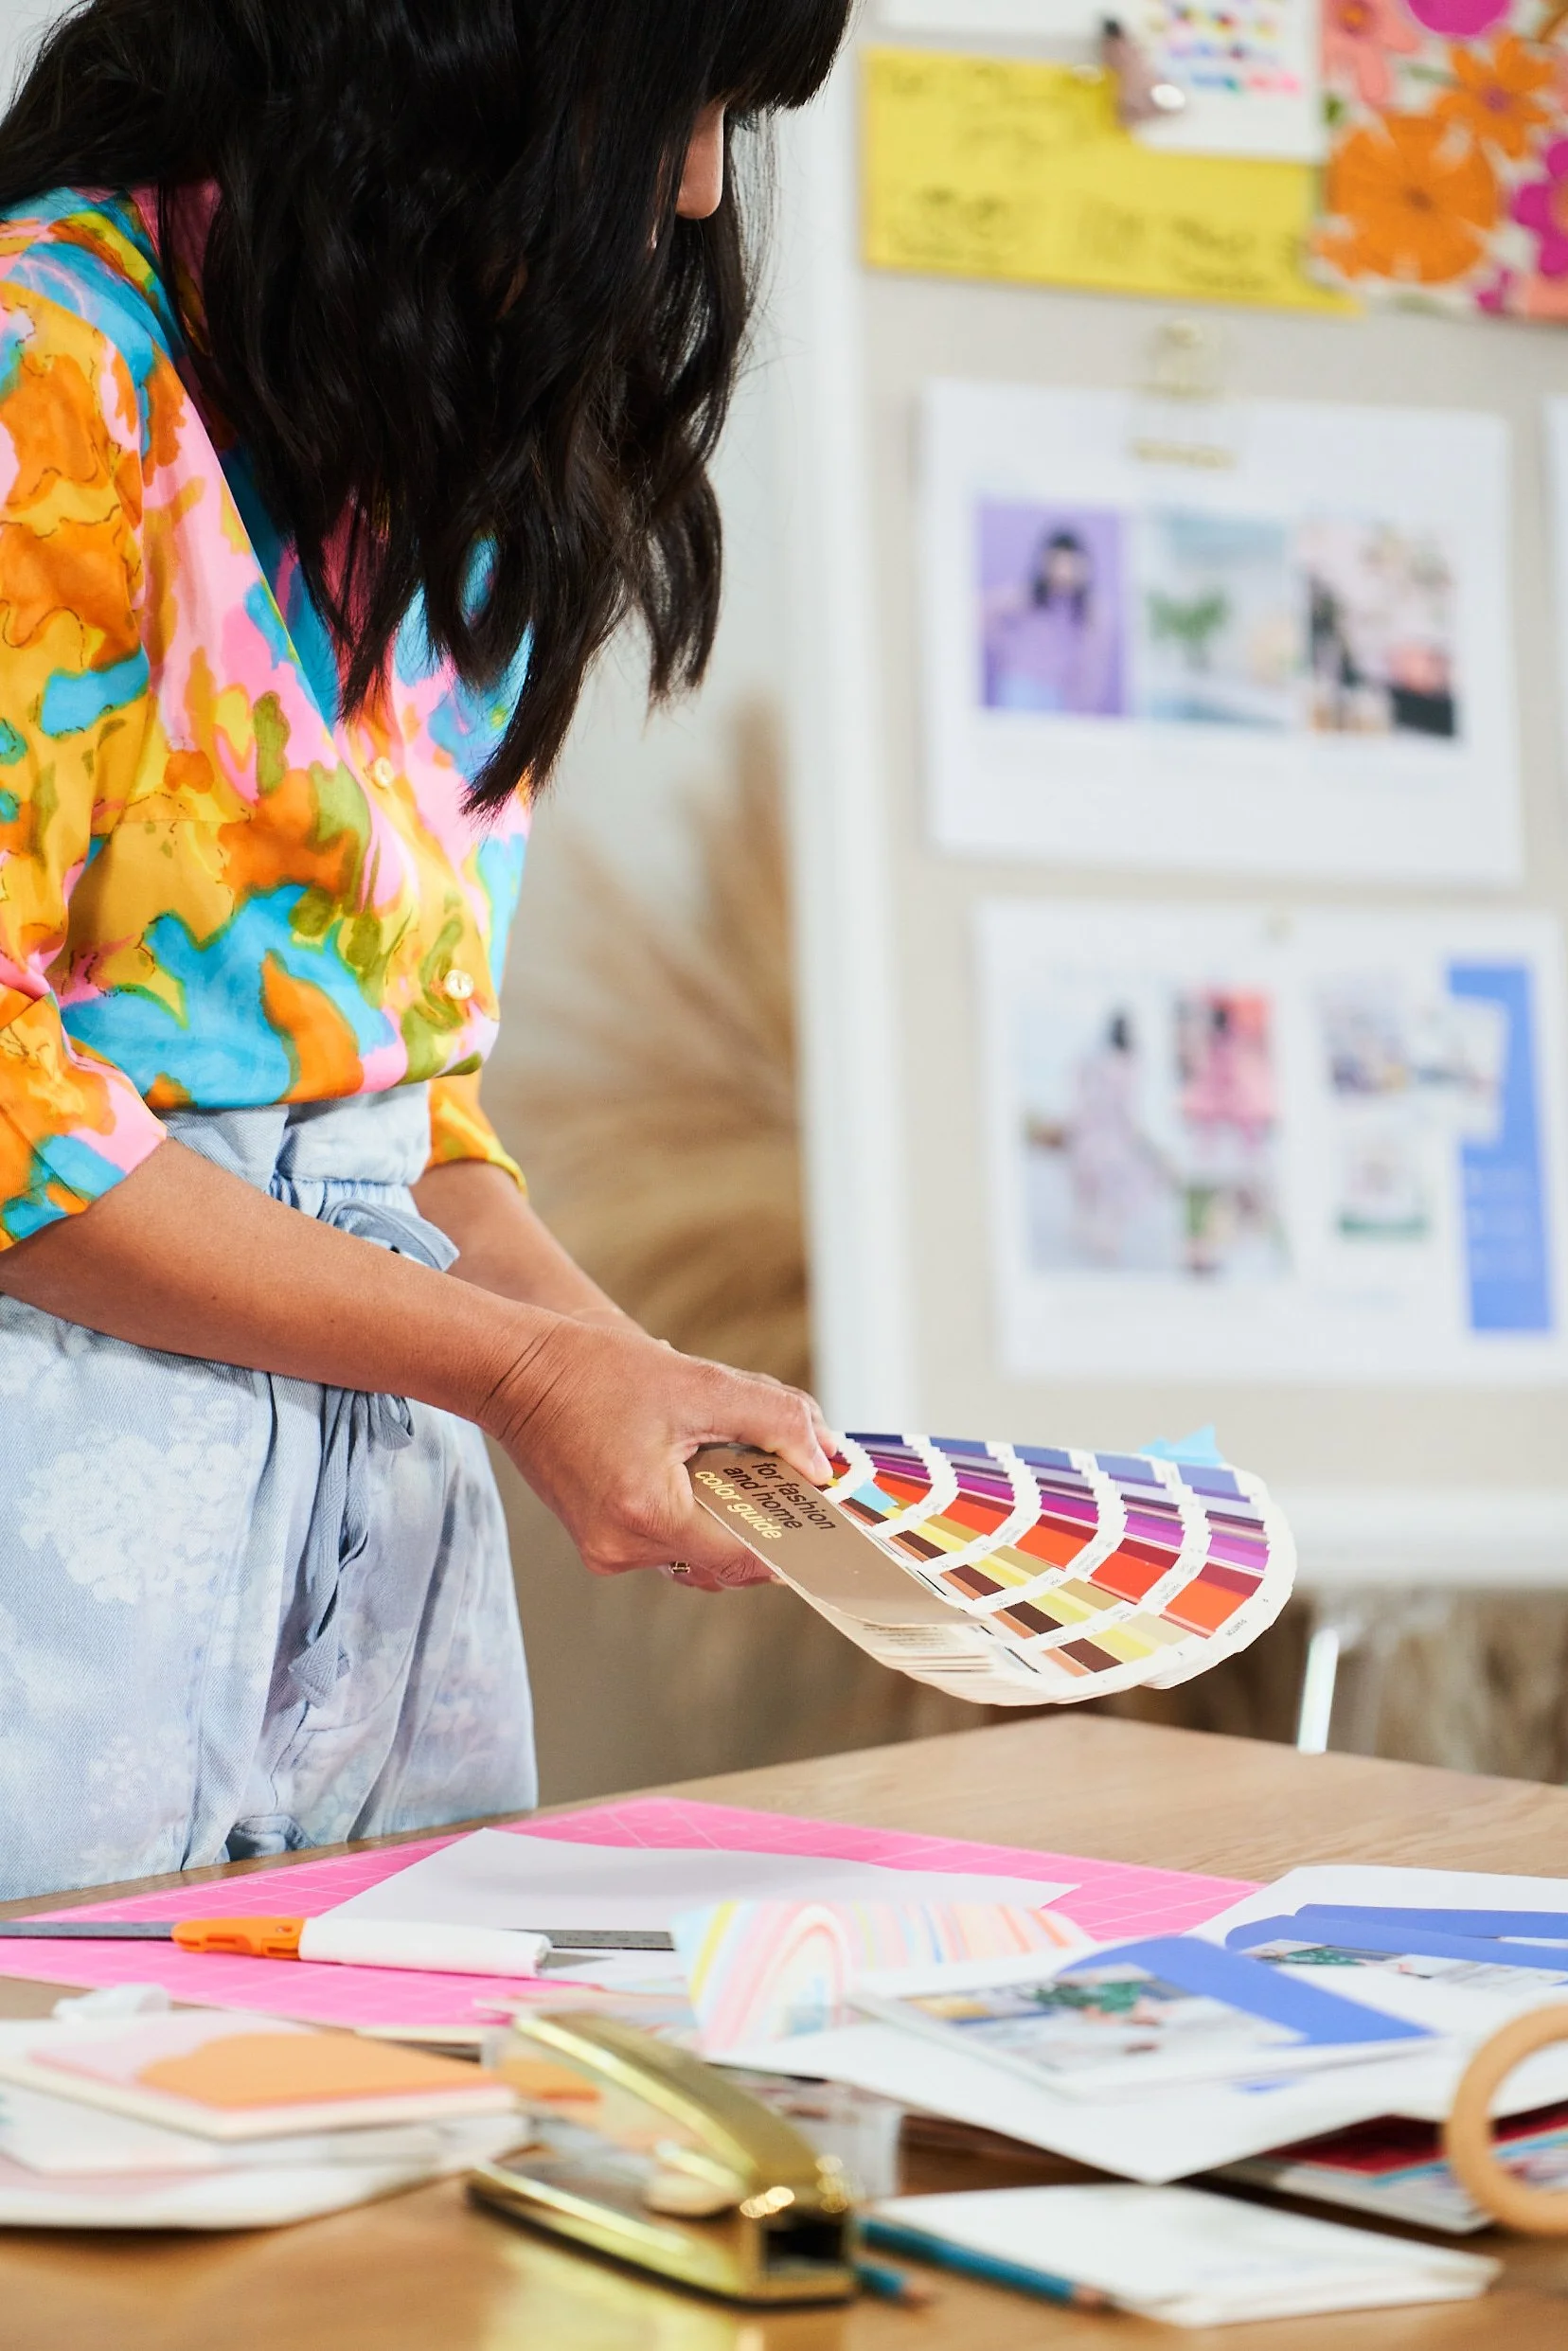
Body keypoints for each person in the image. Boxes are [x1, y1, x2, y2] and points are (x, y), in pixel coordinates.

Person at [0, 0, 850, 1900]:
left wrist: (624, 1377)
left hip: (377, 1569)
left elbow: (398, 1105)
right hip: (63, 1554)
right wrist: (528, 1380)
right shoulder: (39, 370)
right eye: (672, 101)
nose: (702, 188)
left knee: (397, 2153)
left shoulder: (424, 427)